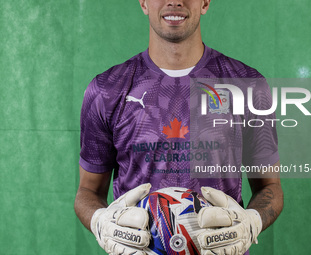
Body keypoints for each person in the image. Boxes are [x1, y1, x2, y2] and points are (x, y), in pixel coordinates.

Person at [74, 0, 284, 254]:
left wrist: (252, 222)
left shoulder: (247, 86)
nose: (175, 1)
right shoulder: (107, 90)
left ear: (205, 2)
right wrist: (100, 222)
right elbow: (88, 190)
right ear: (143, 2)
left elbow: (269, 187)